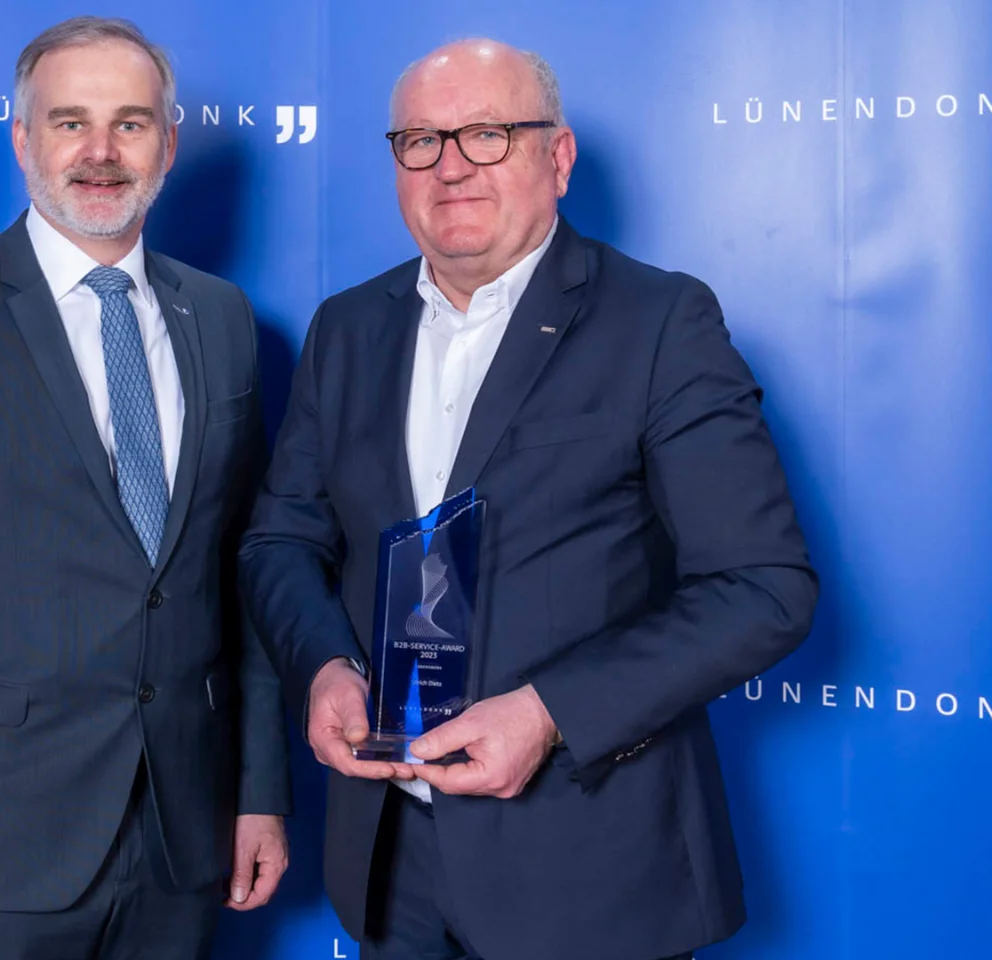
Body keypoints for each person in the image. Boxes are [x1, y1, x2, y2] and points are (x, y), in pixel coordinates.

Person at [239, 38, 817, 960]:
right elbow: (281, 541)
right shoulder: (347, 329)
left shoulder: (660, 322)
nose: (452, 165)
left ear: (558, 155)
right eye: (421, 140)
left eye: (488, 133)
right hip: (391, 871)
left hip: (589, 865)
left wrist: (548, 712)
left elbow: (762, 587)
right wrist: (322, 667)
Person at [0, 16, 290, 960]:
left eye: (131, 122)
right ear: (22, 138)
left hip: (182, 836)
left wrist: (258, 789)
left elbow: (245, 575)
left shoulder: (227, 319)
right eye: (69, 122)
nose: (101, 152)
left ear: (169, 141)